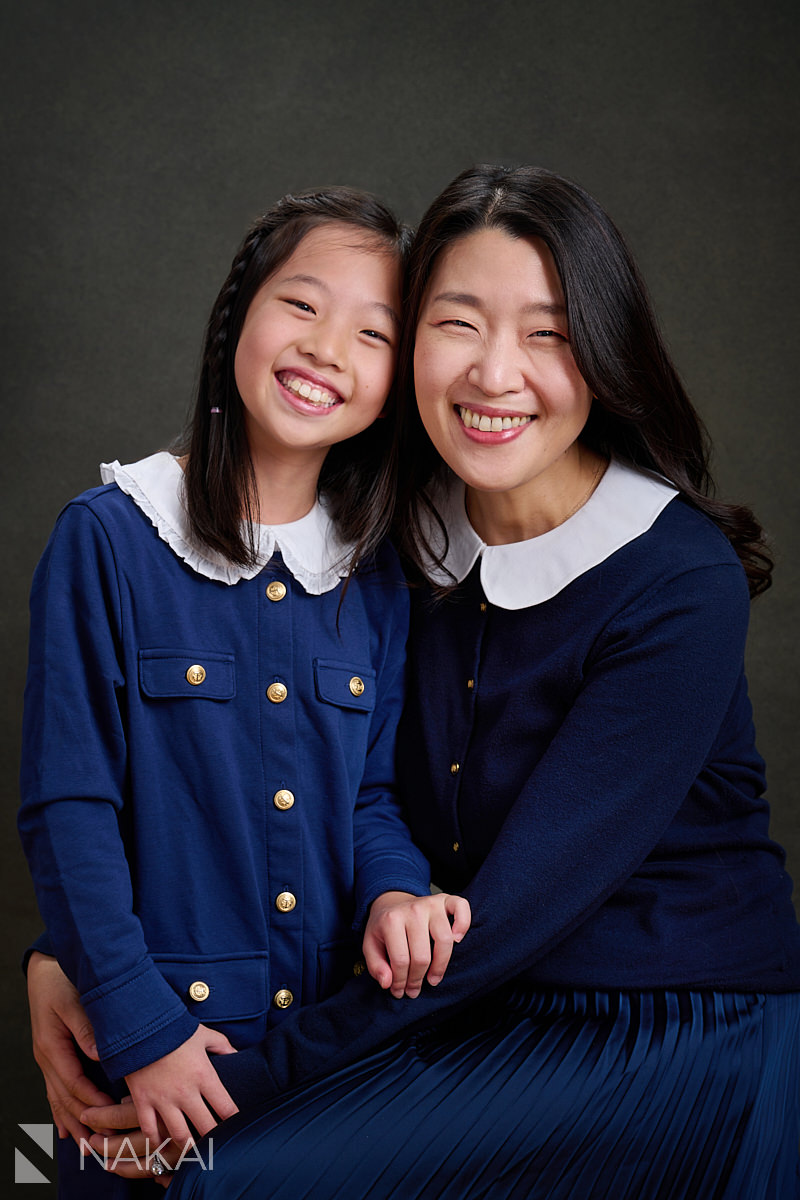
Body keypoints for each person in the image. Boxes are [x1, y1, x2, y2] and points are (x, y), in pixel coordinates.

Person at [32, 165, 800, 1198]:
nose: (494, 374)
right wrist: (70, 965)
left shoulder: (673, 582)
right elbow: (195, 780)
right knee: (67, 1163)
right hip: (456, 1005)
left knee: (212, 1174)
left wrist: (240, 1085)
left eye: (547, 332)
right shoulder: (384, 541)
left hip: (655, 1018)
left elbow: (505, 911)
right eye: (456, 323)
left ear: (605, 354)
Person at [18, 185, 471, 1199]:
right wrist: (141, 1029)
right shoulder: (107, 538)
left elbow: (366, 798)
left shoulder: (378, 578)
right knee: (60, 1171)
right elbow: (68, 809)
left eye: (372, 333)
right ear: (238, 313)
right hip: (151, 1052)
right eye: (300, 305)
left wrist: (396, 888)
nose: (326, 349)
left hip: (324, 1054)